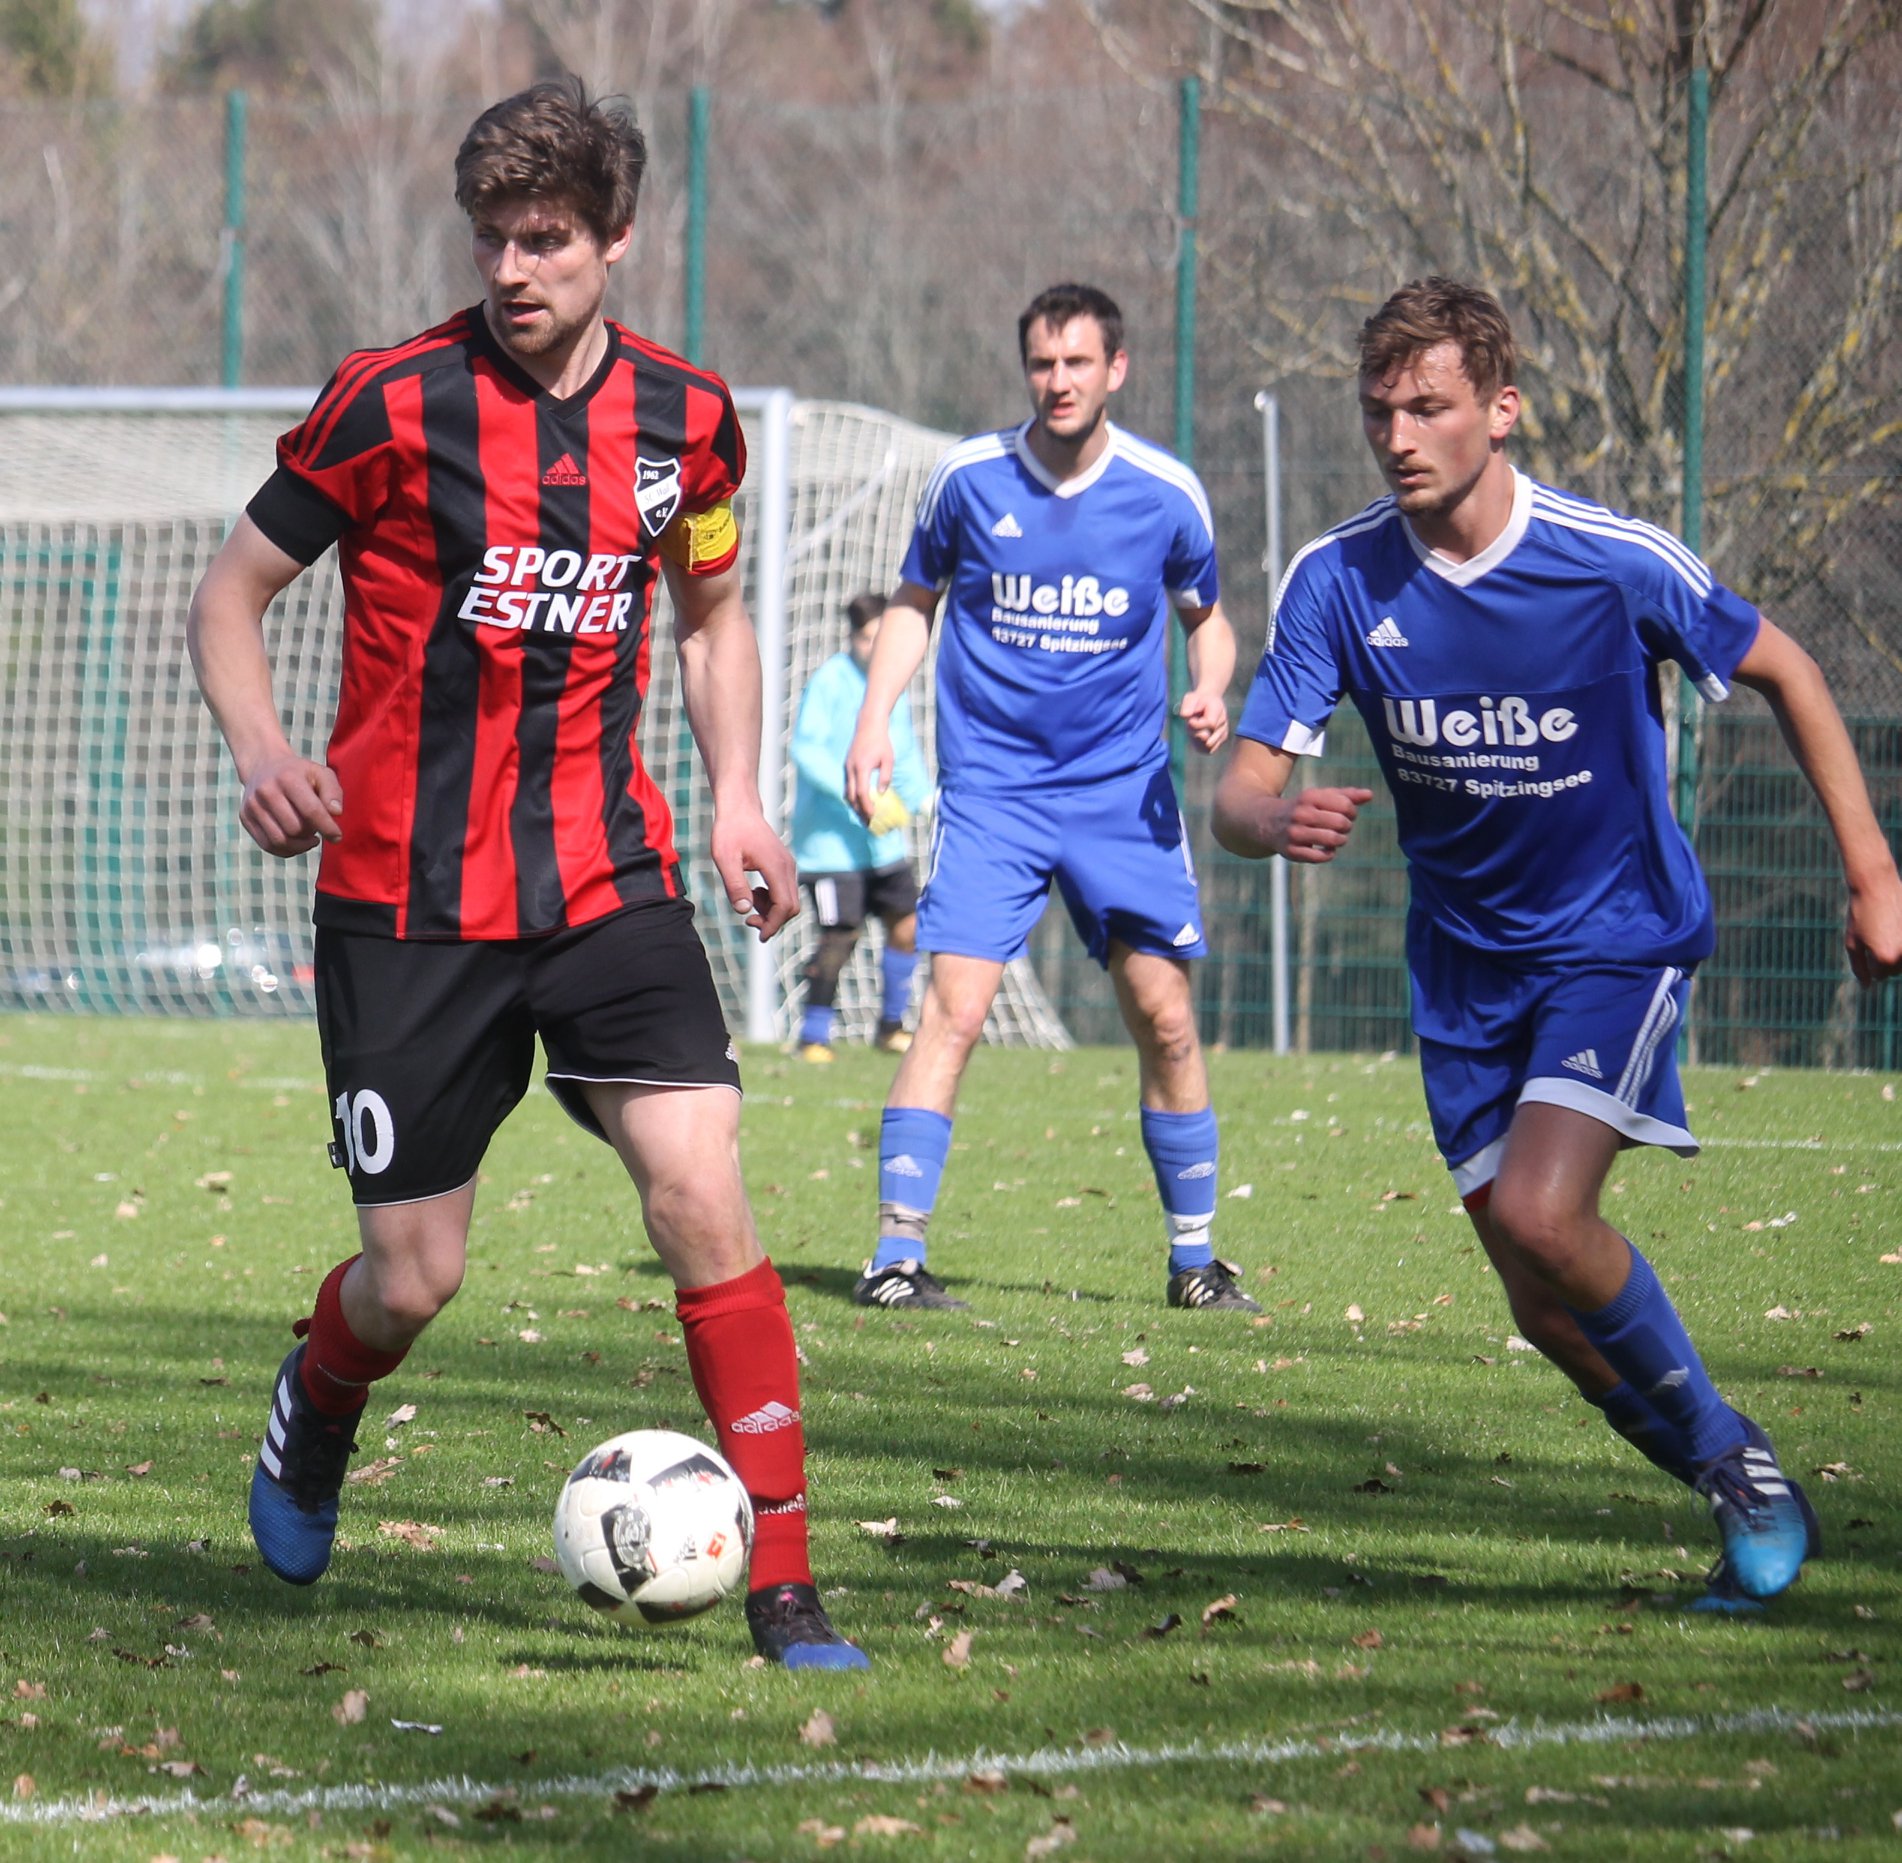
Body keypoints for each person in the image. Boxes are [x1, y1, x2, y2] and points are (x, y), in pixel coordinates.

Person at [186, 77, 867, 1669]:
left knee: (700, 1179)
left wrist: (742, 801)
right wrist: (262, 749)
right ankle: (319, 1398)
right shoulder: (387, 402)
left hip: (603, 876)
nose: (514, 267)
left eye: (547, 238)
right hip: (403, 901)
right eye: (493, 237)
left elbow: (709, 619)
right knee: (413, 1273)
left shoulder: (688, 422)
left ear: (616, 240)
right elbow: (232, 596)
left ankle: (785, 1577)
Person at [1213, 275, 1902, 1606]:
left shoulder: (1606, 557)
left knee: (1543, 1210)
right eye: (1379, 410)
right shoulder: (1335, 580)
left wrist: (1873, 874)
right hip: (1460, 970)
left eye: (1429, 406)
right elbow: (1236, 792)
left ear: (1500, 410)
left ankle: (1736, 1464)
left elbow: (1788, 669)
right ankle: (1731, 1473)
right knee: (1537, 1302)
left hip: (1615, 936)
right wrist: (1270, 818)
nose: (1398, 434)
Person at [843, 282, 1252, 1314]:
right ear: (1026, 368)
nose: (1058, 381)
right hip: (997, 797)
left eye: (1078, 363)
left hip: (1123, 798)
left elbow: (1208, 616)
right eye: (1042, 363)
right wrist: (873, 721)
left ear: (1116, 370)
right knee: (955, 1010)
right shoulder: (970, 481)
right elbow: (911, 605)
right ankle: (895, 1258)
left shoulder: (1166, 493)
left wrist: (1210, 688)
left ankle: (1196, 1262)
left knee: (1164, 1016)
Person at [788, 592, 929, 1062]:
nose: (874, 646)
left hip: (881, 848)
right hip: (830, 849)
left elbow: (904, 752)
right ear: (852, 638)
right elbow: (807, 752)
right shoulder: (830, 681)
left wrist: (919, 797)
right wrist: (859, 798)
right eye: (867, 638)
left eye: (881, 637)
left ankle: (891, 1027)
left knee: (907, 925)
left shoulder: (893, 686)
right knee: (840, 935)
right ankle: (813, 1036)